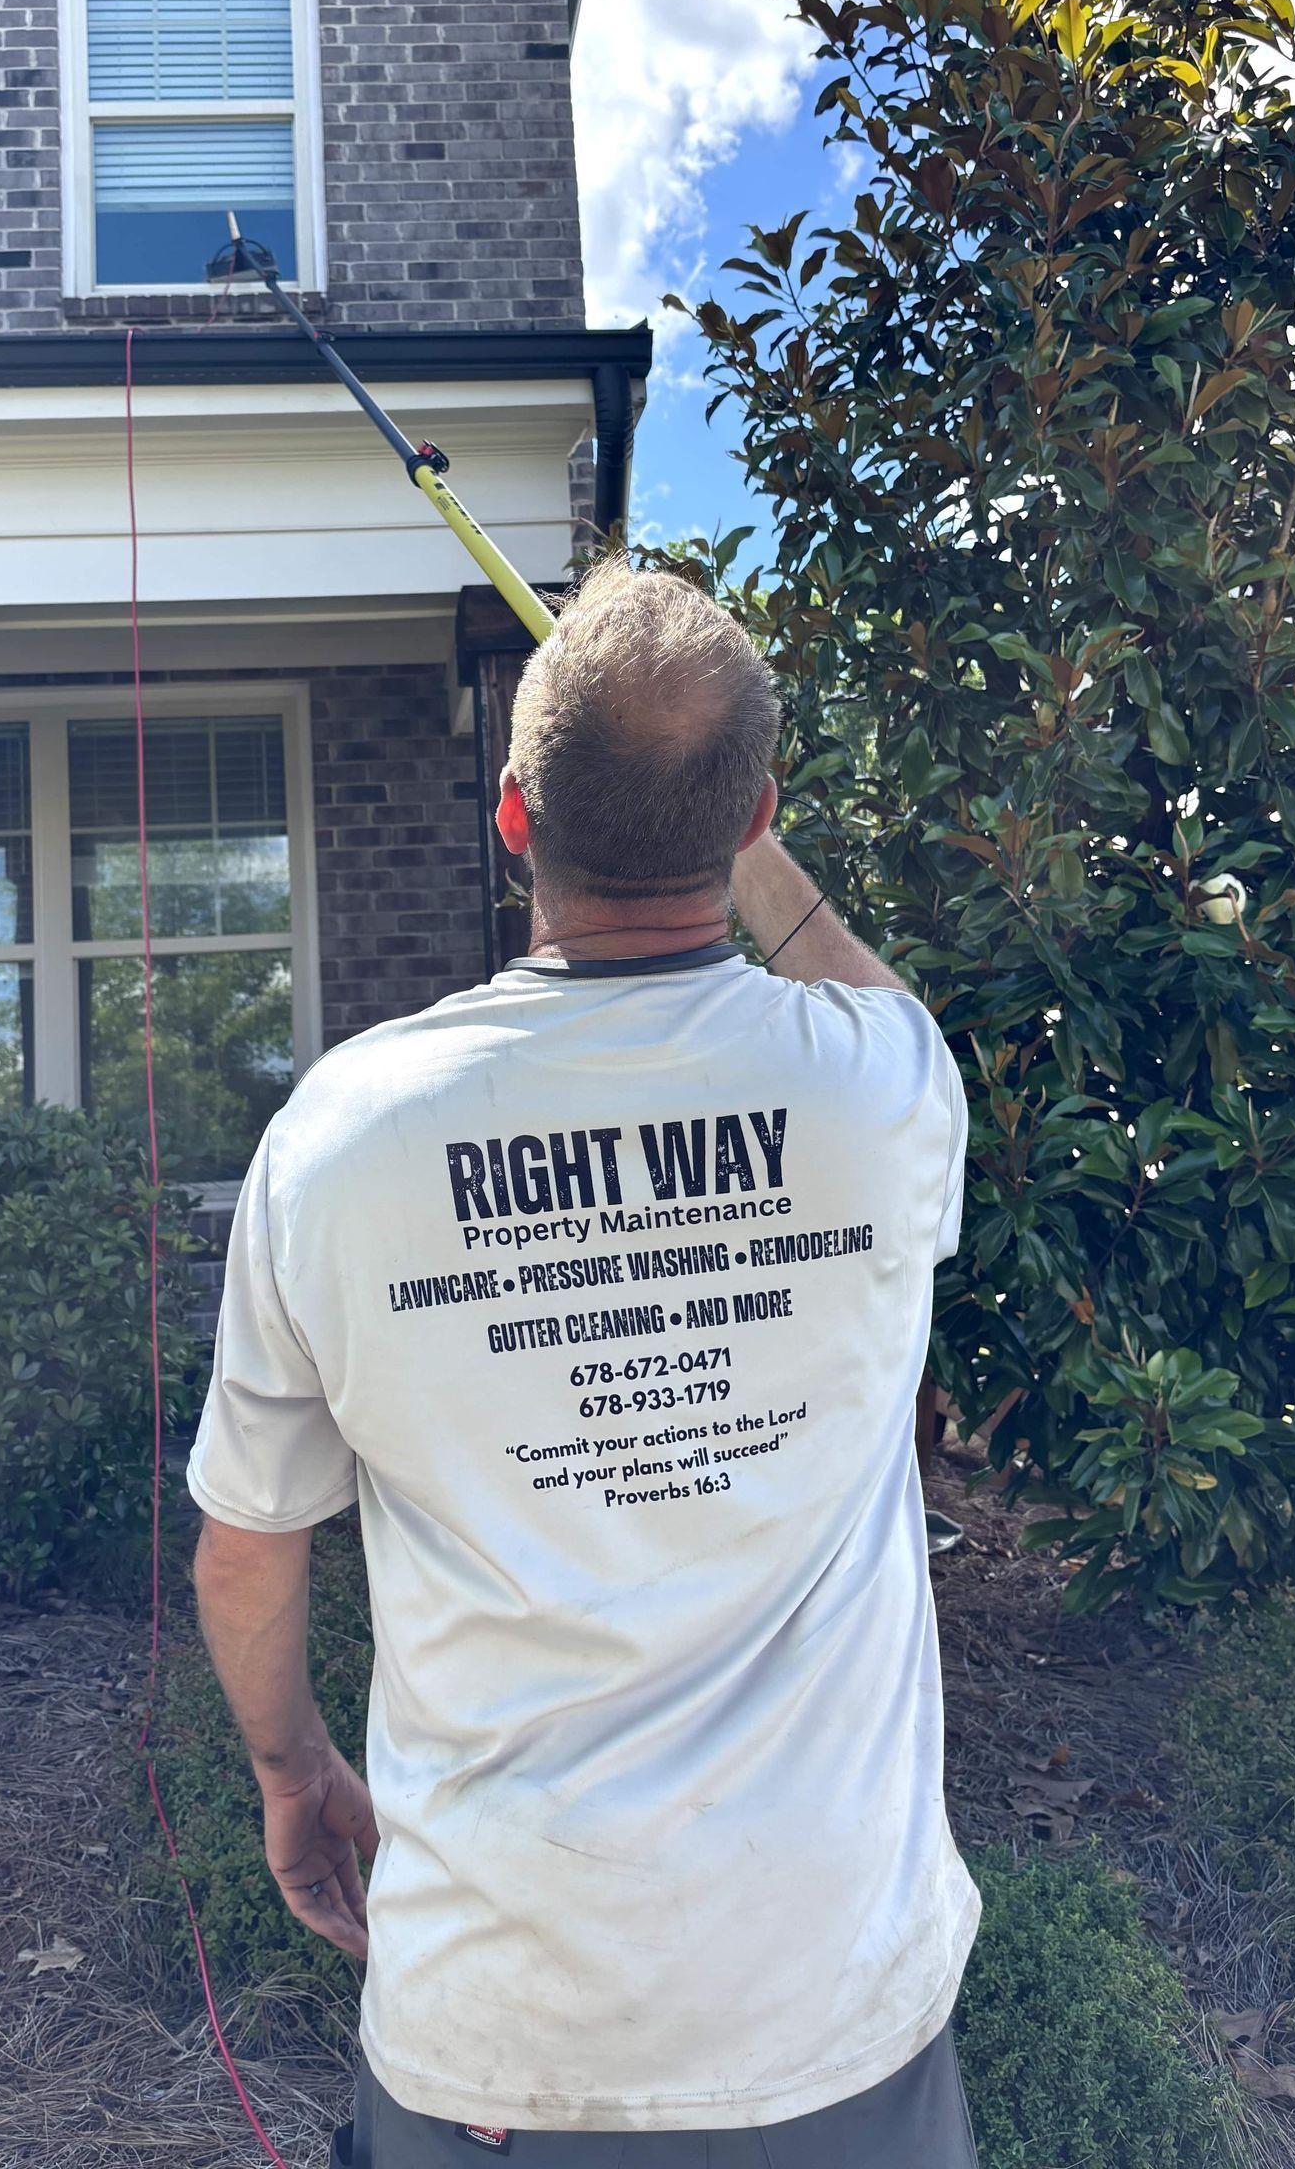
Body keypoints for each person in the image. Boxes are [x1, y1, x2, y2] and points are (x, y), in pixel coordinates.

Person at [188, 559, 981, 2168]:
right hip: (830, 2008)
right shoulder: (884, 1091)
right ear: (759, 812)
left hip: (494, 2035)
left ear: (510, 821)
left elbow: (250, 1546)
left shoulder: (339, 1136)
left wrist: (293, 1771)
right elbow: (843, 971)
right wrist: (746, 839)